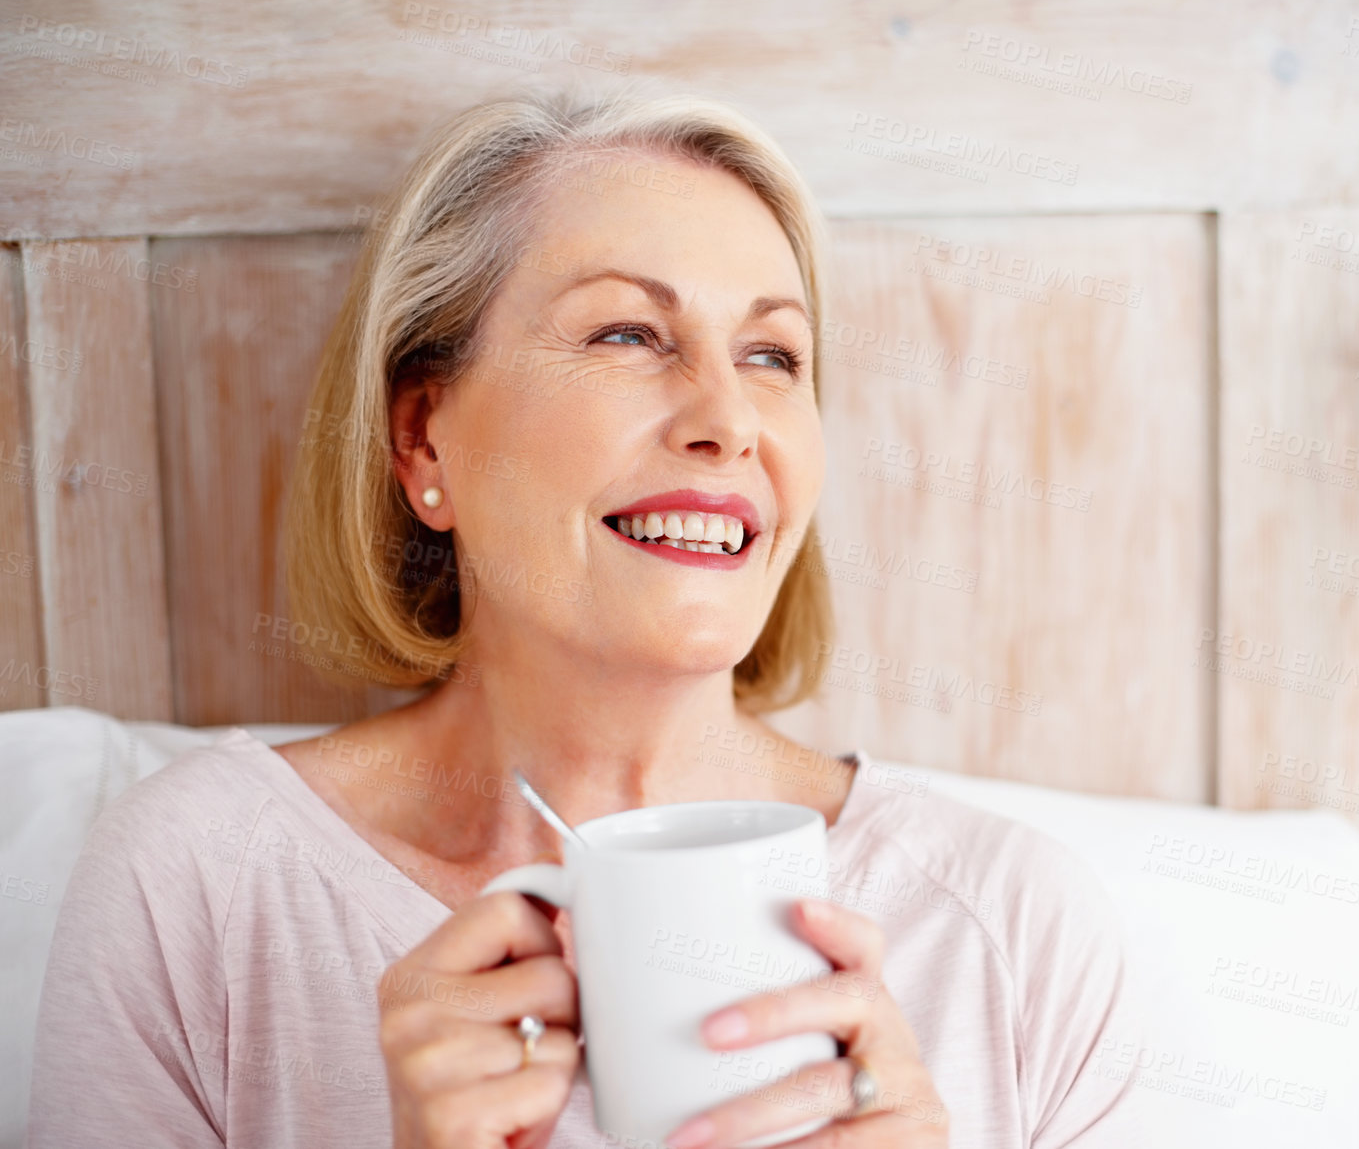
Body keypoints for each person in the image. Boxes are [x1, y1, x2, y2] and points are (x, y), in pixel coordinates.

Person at [27, 91, 1142, 1149]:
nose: (726, 419)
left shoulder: (1010, 926)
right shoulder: (199, 886)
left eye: (771, 355)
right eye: (625, 335)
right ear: (423, 438)